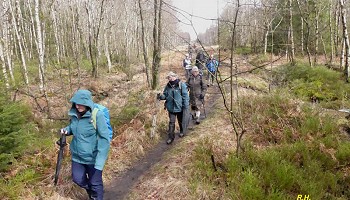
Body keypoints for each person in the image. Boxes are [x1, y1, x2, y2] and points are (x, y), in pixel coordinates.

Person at [60, 89, 110, 200]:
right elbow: (74, 128)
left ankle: (96, 195)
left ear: (87, 103)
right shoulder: (74, 115)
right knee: (78, 179)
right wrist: (66, 130)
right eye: (76, 103)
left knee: (95, 182)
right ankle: (92, 192)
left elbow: (104, 139)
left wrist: (100, 163)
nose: (78, 106)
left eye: (81, 104)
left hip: (93, 158)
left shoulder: (97, 115)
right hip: (77, 157)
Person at [157, 71, 190, 144]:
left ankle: (182, 131)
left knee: (180, 121)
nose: (170, 78)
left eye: (171, 76)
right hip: (171, 108)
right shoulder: (167, 86)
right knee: (171, 122)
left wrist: (186, 106)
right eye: (169, 77)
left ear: (175, 77)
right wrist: (161, 96)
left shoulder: (181, 85)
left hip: (180, 107)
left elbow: (185, 96)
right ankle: (171, 137)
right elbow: (165, 95)